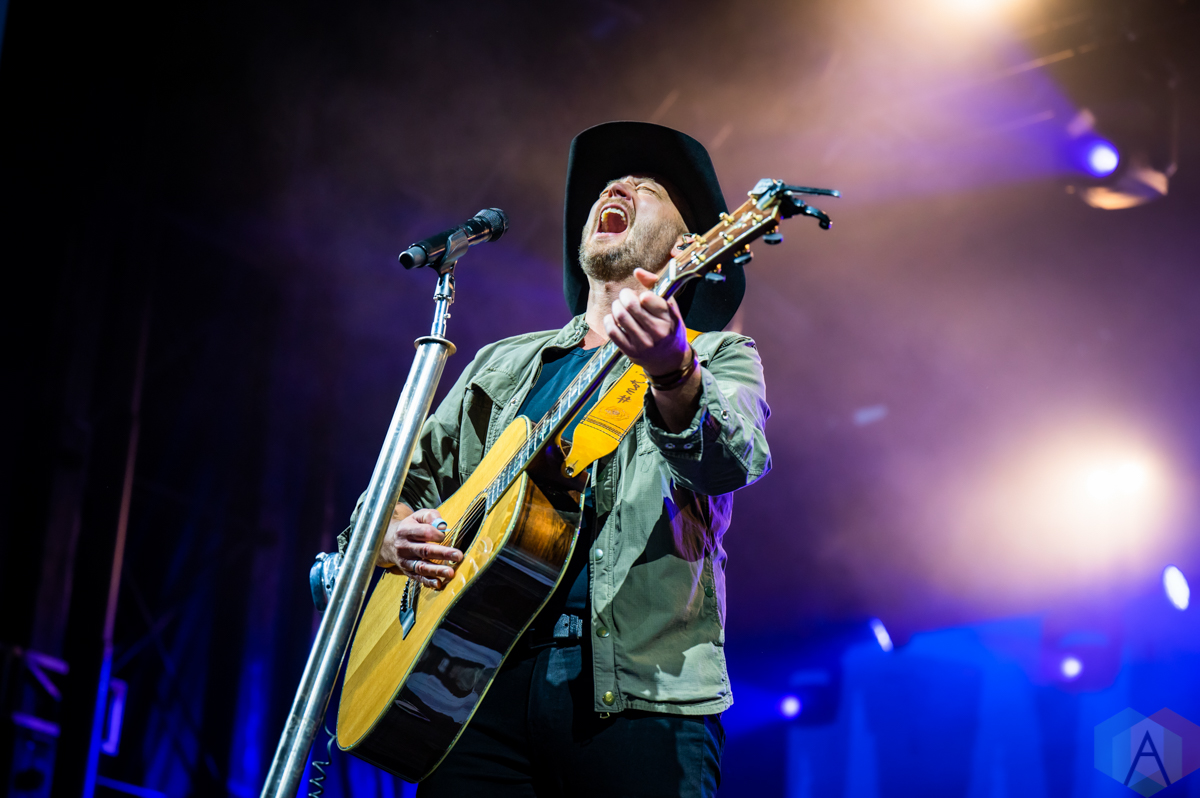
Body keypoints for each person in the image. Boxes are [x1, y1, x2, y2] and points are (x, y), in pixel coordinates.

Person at [342, 121, 771, 797]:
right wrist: (391, 535)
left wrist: (673, 370)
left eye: (648, 187)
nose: (618, 186)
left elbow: (730, 463)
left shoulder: (717, 356)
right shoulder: (502, 364)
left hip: (640, 696)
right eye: (611, 184)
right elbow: (392, 493)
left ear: (690, 246)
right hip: (474, 690)